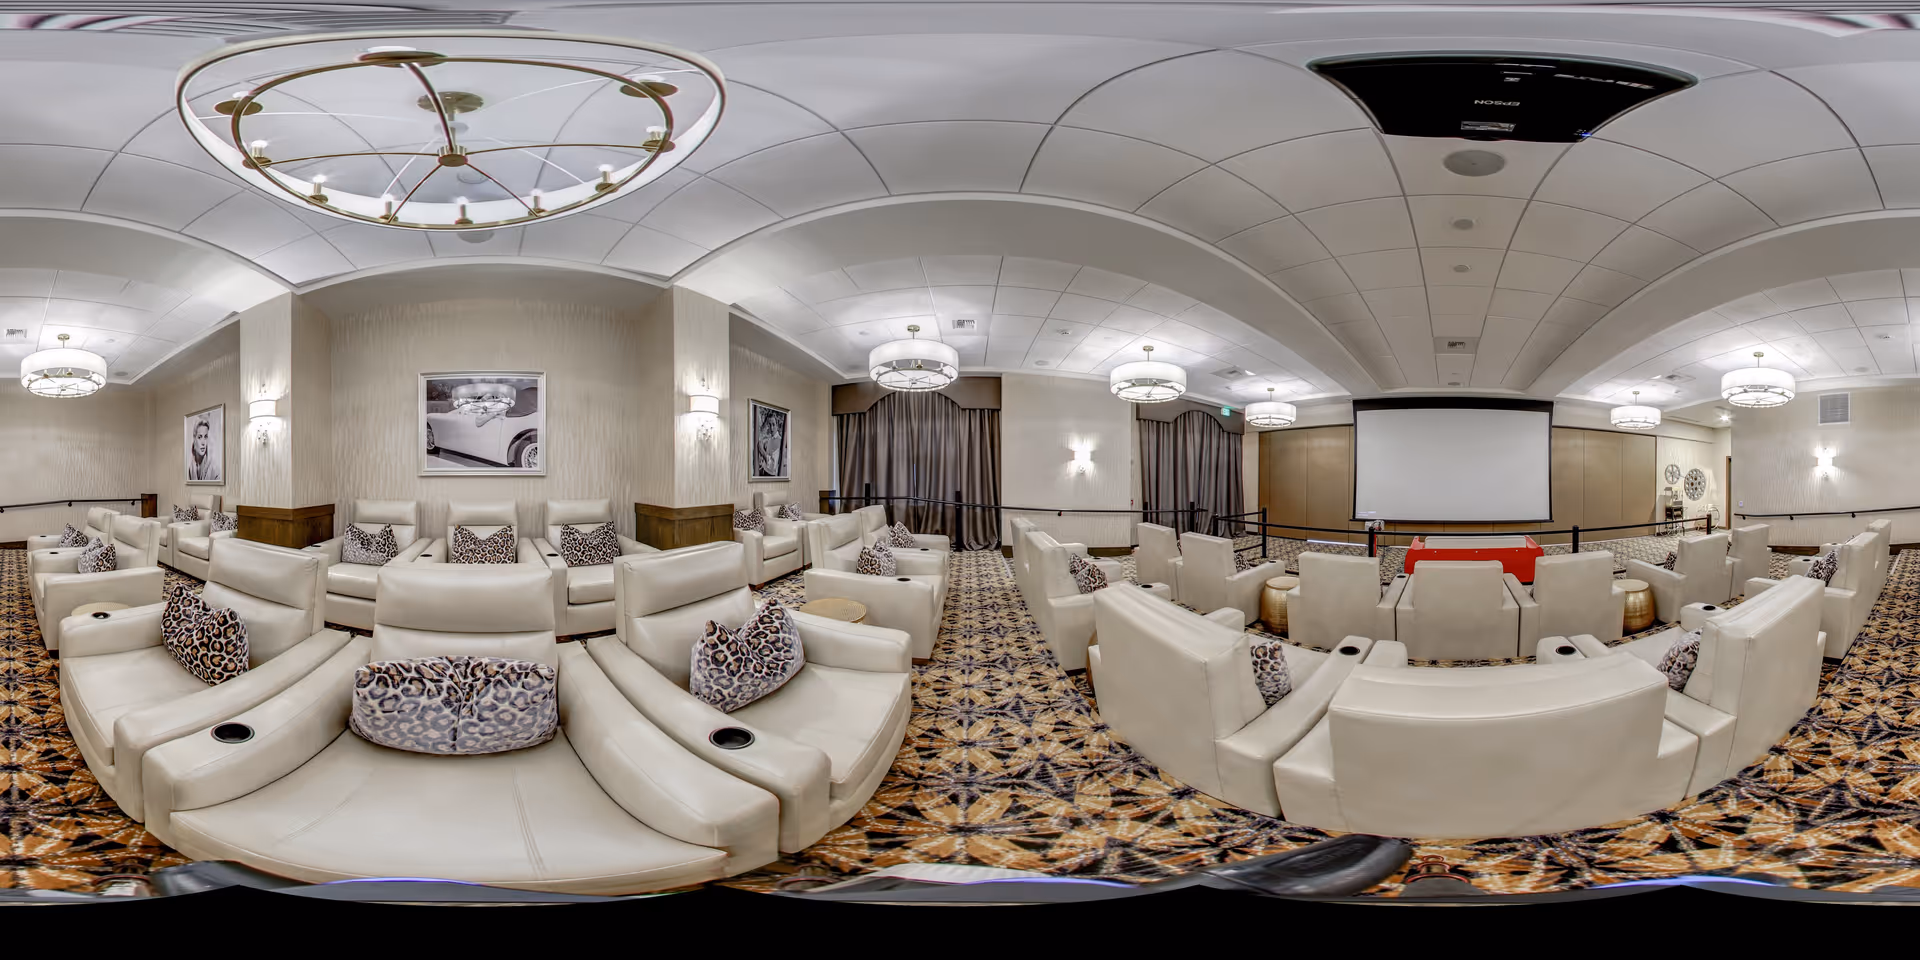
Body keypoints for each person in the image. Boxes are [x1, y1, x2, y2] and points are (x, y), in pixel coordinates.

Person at [189, 415, 220, 482]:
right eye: (200, 437)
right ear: (194, 439)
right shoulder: (190, 468)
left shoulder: (214, 469)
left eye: (205, 437)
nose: (203, 443)